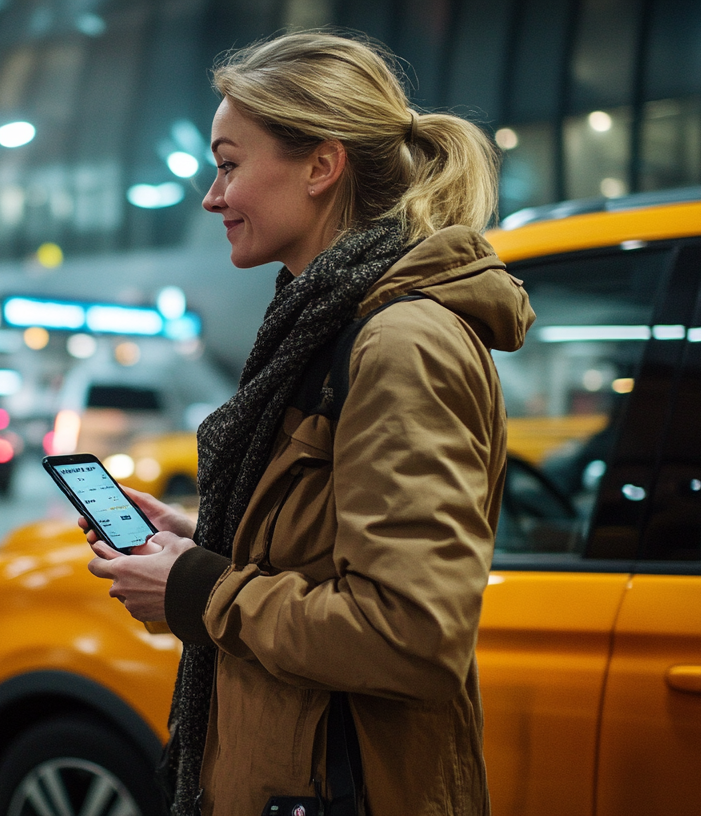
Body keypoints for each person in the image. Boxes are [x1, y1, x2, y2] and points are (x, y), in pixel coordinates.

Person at [84, 32, 535, 816]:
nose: (211, 196)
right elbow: (333, 551)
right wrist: (206, 542)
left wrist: (200, 588)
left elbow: (412, 634)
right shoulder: (324, 323)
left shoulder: (400, 343)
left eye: (229, 163)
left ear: (323, 166)